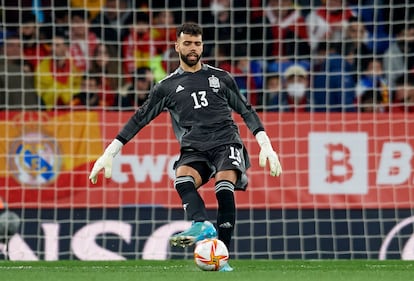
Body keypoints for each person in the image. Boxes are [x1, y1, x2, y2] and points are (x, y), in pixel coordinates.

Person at [89, 22, 282, 271]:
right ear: (177, 46)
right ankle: (200, 223)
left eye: (198, 43)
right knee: (182, 179)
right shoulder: (166, 87)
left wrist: (266, 145)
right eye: (188, 43)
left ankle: (222, 256)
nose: (193, 48)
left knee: (224, 188)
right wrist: (109, 152)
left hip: (226, 142)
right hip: (194, 148)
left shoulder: (220, 78)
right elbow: (140, 118)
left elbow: (246, 110)